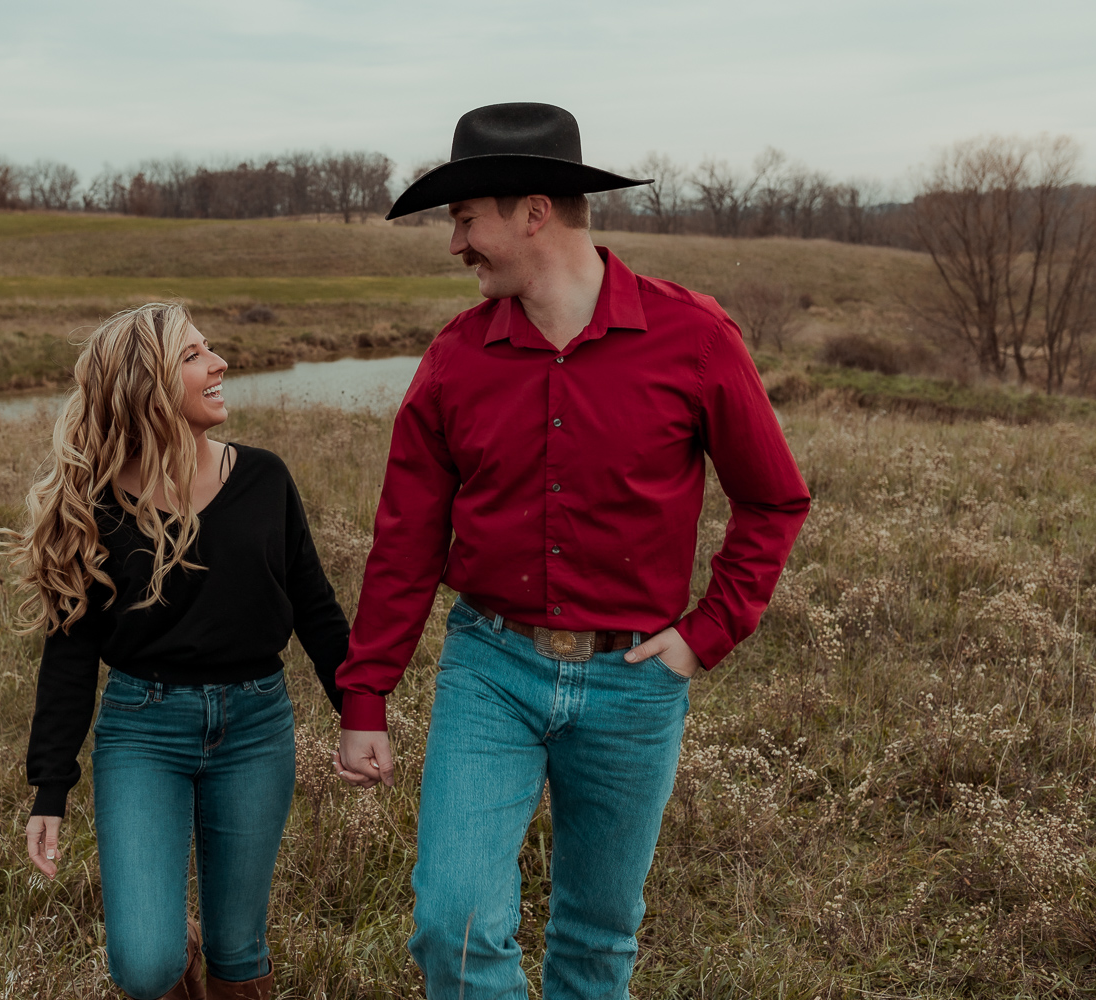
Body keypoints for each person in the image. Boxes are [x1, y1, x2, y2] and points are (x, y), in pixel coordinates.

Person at [331, 104, 810, 999]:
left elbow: (774, 497)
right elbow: (405, 539)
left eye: (465, 220)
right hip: (491, 668)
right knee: (454, 928)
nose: (456, 246)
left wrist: (710, 630)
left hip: (635, 681)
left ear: (534, 213)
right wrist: (365, 695)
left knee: (596, 943)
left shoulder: (694, 338)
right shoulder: (454, 360)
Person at [2, 303, 349, 1000]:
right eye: (194, 356)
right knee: (146, 965)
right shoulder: (95, 506)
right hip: (143, 731)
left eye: (210, 349)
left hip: (256, 727)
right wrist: (50, 788)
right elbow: (70, 657)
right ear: (147, 386)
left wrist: (360, 710)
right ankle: (177, 957)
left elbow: (315, 606)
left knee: (239, 948)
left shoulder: (265, 479)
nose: (219, 364)